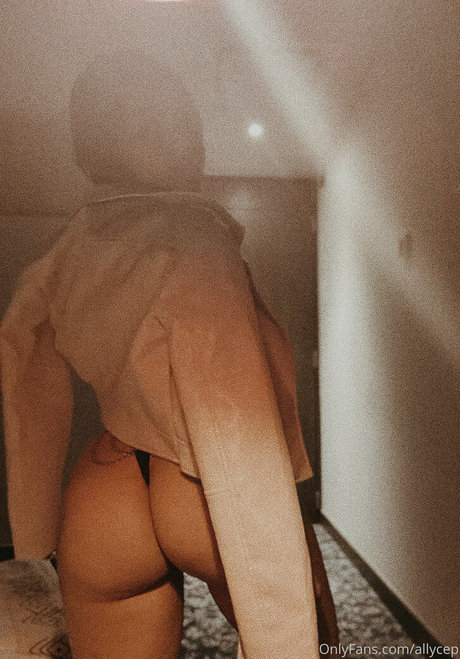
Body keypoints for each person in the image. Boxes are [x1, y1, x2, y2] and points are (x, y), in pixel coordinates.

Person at [0, 50, 338, 657]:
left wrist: (32, 515)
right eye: (171, 120)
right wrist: (291, 544)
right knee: (303, 630)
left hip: (104, 486)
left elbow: (23, 366)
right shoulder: (198, 238)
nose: (191, 135)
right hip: (196, 483)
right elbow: (232, 406)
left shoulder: (67, 245)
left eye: (187, 120)